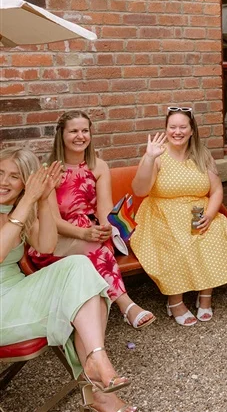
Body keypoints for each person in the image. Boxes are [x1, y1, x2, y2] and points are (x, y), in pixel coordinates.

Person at [0, 148, 137, 412]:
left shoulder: (21, 209)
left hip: (17, 290)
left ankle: (97, 359)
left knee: (80, 266)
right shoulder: (20, 207)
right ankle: (98, 390)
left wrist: (42, 201)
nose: (4, 181)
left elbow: (46, 245)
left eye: (14, 176)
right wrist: (29, 200)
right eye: (0, 173)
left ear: (26, 182)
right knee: (86, 299)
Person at [27, 111, 155, 330]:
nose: (80, 136)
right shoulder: (50, 171)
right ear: (61, 134)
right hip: (57, 239)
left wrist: (106, 228)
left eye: (85, 131)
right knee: (95, 249)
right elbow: (53, 221)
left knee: (98, 245)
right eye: (73, 131)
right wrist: (84, 233)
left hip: (92, 232)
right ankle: (126, 305)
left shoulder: (99, 166)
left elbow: (104, 209)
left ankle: (99, 317)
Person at [130, 107, 227, 326]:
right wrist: (149, 159)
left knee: (212, 238)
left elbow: (216, 191)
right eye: (172, 127)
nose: (177, 132)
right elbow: (140, 190)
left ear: (192, 130)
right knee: (176, 244)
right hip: (161, 214)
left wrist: (210, 215)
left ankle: (205, 295)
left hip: (198, 211)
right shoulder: (157, 155)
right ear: (166, 129)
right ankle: (175, 301)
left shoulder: (202, 155)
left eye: (183, 127)